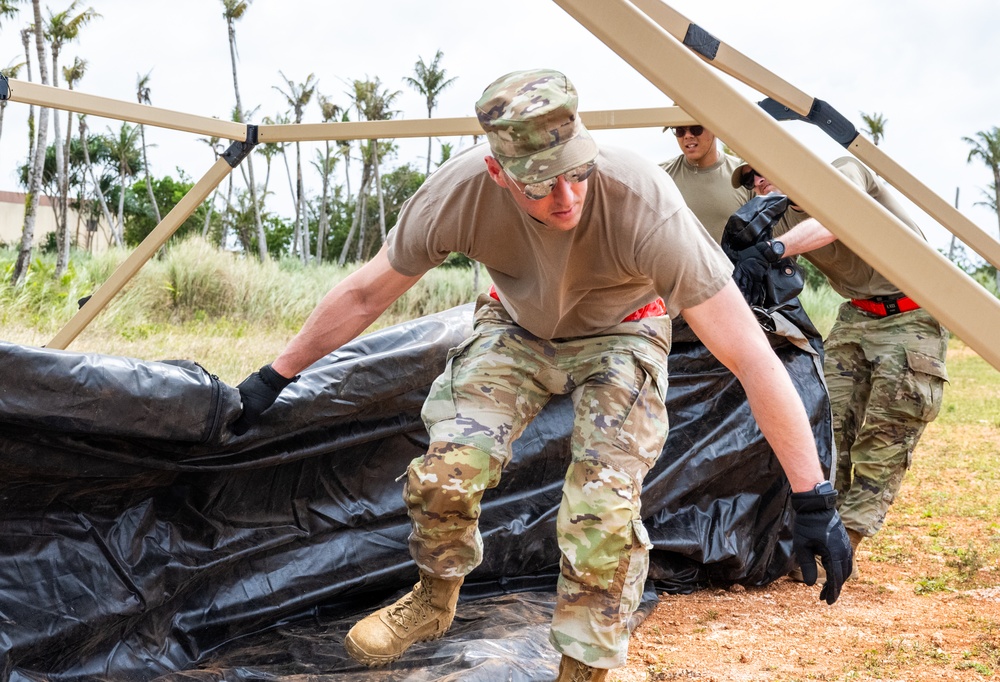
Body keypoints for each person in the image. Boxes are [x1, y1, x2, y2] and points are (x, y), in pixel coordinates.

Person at [231, 69, 852, 681]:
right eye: (541, 184)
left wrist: (812, 495)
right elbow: (366, 294)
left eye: (577, 173)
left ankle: (583, 668)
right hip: (516, 328)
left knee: (602, 511)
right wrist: (273, 377)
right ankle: (434, 596)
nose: (567, 198)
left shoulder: (641, 199)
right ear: (498, 172)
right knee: (445, 474)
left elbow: (750, 355)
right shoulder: (458, 193)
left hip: (623, 331)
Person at [731, 158, 949, 581]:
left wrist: (776, 249)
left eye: (764, 166)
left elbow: (837, 218)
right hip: (856, 316)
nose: (759, 180)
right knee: (825, 427)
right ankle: (820, 528)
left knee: (885, 436)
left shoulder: (845, 171)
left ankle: (843, 543)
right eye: (751, 177)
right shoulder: (774, 220)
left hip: (913, 312)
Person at [659, 123, 753, 242]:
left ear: (714, 128)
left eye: (696, 129)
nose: (687, 136)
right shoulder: (660, 176)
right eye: (680, 131)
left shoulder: (744, 174)